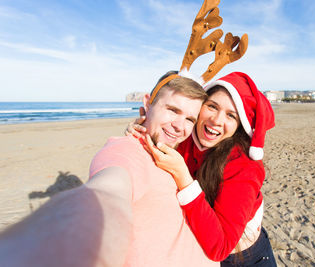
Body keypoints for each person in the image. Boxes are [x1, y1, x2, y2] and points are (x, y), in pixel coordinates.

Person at [0, 71, 218, 267]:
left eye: (190, 119)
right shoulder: (126, 151)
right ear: (148, 104)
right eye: (172, 110)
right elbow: (107, 193)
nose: (180, 126)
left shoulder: (172, 154)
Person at [127, 72, 277, 266]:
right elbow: (155, 139)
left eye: (231, 115)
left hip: (244, 257)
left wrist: (184, 178)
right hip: (197, 250)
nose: (216, 120)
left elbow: (221, 247)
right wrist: (138, 129)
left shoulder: (244, 165)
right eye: (212, 106)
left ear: (239, 125)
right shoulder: (185, 136)